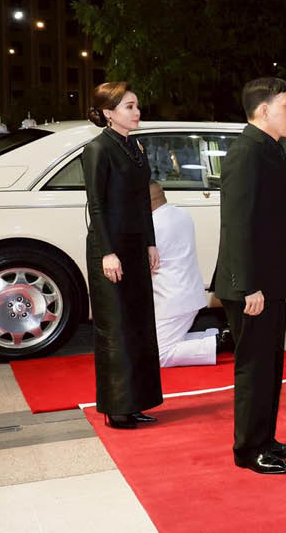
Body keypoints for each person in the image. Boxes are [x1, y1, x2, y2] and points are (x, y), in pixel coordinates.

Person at [213, 77, 286, 475]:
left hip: (268, 278)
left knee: (269, 364)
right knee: (254, 366)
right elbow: (237, 223)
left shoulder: (268, 149)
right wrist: (248, 284)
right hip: (251, 283)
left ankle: (265, 438)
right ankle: (249, 450)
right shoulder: (247, 153)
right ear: (264, 110)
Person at [82, 82, 163, 429]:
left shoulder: (135, 147)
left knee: (139, 326)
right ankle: (116, 409)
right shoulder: (97, 149)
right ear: (108, 113)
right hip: (110, 249)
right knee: (116, 329)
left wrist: (150, 242)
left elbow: (143, 201)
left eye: (137, 105)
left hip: (134, 245)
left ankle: (135, 402)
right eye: (129, 106)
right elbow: (96, 205)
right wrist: (107, 253)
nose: (137, 112)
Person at [149, 181, 231, 368]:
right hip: (189, 293)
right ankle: (219, 335)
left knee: (159, 354)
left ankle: (221, 342)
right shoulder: (182, 214)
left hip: (171, 300)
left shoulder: (152, 227)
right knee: (157, 340)